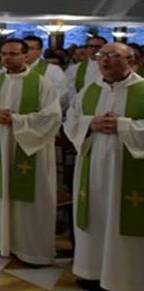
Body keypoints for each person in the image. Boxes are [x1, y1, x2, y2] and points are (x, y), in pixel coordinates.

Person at [64, 43, 143, 291]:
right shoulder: (89, 90)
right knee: (94, 217)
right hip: (92, 168)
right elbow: (70, 120)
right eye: (101, 56)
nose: (104, 60)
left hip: (129, 169)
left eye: (113, 56)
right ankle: (91, 271)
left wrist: (123, 125)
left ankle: (126, 277)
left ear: (132, 61)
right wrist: (90, 123)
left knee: (123, 221)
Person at [0, 38, 62, 265]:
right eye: (4, 53)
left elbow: (52, 117)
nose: (7, 58)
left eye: (13, 53)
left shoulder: (42, 83)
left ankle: (30, 249)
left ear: (26, 56)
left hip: (29, 148)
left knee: (30, 196)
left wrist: (16, 120)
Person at [23, 35, 69, 109]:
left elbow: (62, 95)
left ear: (40, 51)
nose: (26, 52)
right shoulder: (11, 70)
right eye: (23, 49)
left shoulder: (53, 70)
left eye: (30, 49)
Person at [65, 36, 107, 102]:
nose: (94, 49)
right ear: (86, 49)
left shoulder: (113, 67)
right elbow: (70, 91)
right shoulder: (75, 69)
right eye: (90, 46)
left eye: (98, 47)